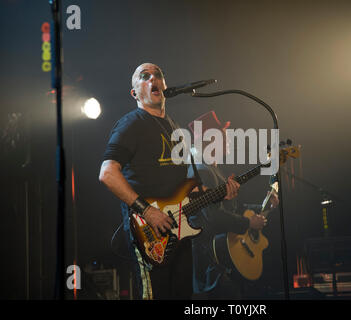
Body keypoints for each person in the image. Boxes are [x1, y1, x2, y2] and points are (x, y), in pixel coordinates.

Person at [98, 63, 240, 300]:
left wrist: (218, 193)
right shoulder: (132, 123)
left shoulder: (174, 128)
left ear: (164, 85)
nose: (153, 78)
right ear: (135, 93)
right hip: (148, 230)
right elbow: (107, 173)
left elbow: (189, 189)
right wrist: (148, 212)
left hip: (179, 232)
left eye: (158, 75)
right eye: (145, 76)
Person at [188, 111, 278, 299]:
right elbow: (213, 216)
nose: (229, 139)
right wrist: (248, 224)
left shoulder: (212, 169)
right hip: (209, 265)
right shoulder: (202, 171)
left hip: (220, 262)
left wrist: (262, 206)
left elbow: (232, 208)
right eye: (224, 135)